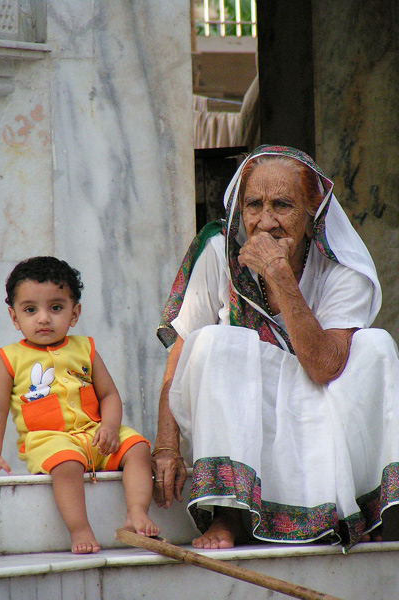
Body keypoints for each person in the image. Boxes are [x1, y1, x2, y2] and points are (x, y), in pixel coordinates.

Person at [151, 145, 399, 552]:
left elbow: (324, 366)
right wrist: (166, 445)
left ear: (311, 211)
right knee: (215, 341)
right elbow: (180, 352)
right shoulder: (219, 251)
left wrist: (279, 275)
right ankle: (231, 513)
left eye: (282, 205)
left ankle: (365, 511)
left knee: (376, 346)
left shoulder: (341, 266)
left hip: (320, 400)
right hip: (253, 407)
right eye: (254, 205)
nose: (265, 222)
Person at [0, 256, 159, 553]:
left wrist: (109, 426)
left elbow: (109, 395)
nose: (44, 318)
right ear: (14, 318)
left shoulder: (86, 348)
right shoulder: (9, 358)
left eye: (56, 307)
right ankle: (80, 529)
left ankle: (136, 511)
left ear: (74, 313)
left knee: (138, 448)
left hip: (96, 435)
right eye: (30, 310)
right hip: (49, 441)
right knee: (66, 464)